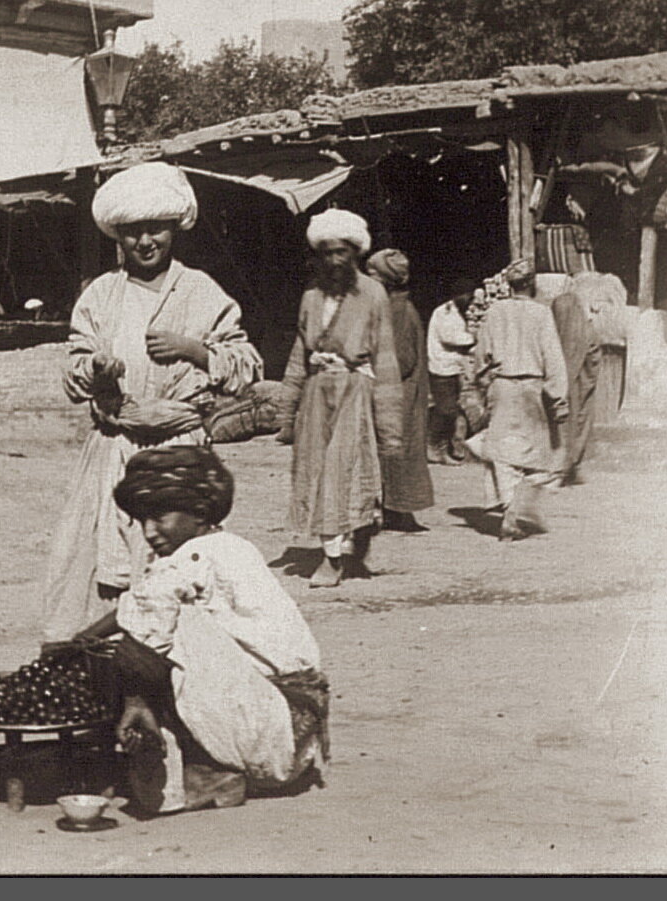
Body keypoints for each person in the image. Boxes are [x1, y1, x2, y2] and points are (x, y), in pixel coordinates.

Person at [40, 163, 262, 642]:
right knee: (95, 571)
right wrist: (96, 368)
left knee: (176, 571)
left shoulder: (201, 291)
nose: (145, 241)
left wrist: (195, 350)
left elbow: (247, 367)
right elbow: (72, 372)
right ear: (117, 236)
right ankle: (99, 662)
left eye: (155, 229)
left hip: (178, 454)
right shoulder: (101, 295)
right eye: (133, 231)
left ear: (174, 229)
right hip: (114, 447)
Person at [62, 446, 329, 816]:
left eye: (159, 517)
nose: (149, 532)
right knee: (155, 626)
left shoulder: (201, 553)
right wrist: (84, 638)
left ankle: (212, 772)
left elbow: (150, 604)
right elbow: (136, 602)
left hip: (271, 732)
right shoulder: (228, 548)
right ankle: (210, 764)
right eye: (141, 521)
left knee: (164, 628)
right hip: (288, 730)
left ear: (200, 513)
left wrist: (136, 699)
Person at [280, 209, 403, 588]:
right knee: (317, 472)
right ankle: (338, 548)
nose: (334, 260)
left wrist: (390, 428)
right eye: (327, 253)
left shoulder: (373, 294)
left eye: (341, 252)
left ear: (355, 254)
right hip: (317, 394)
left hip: (354, 391)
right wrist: (287, 411)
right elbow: (299, 355)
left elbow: (385, 358)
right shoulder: (310, 298)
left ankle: (333, 559)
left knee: (341, 472)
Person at [467, 259, 570, 541]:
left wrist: (482, 382)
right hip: (530, 388)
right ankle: (514, 511)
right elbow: (552, 357)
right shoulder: (541, 313)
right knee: (534, 454)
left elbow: (481, 353)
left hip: (501, 387)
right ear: (531, 284)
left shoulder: (495, 311)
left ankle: (508, 508)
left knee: (502, 452)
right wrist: (558, 397)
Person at [365, 249, 434, 531]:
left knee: (398, 451)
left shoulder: (399, 311)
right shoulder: (389, 307)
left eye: (373, 276)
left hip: (400, 393)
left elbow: (402, 360)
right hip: (396, 390)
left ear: (387, 280)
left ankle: (399, 511)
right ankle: (392, 509)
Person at [550, 272, 601, 485]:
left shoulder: (552, 334)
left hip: (556, 385)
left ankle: (558, 468)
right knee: (578, 420)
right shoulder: (586, 331)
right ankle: (569, 467)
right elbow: (594, 357)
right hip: (579, 384)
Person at [426, 277, 479, 465]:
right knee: (446, 410)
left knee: (450, 409)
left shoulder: (459, 312)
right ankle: (432, 445)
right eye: (468, 296)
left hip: (452, 368)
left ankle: (444, 449)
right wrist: (475, 337)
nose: (470, 300)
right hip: (442, 368)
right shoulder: (445, 312)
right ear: (459, 295)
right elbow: (451, 338)